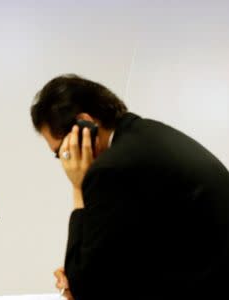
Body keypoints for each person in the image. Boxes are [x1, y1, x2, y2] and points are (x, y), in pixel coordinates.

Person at [30, 74, 229, 300]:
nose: (65, 161)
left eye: (61, 152)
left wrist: (78, 186)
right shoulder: (143, 137)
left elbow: (86, 288)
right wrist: (85, 272)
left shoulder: (112, 168)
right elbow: (121, 253)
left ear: (85, 125)